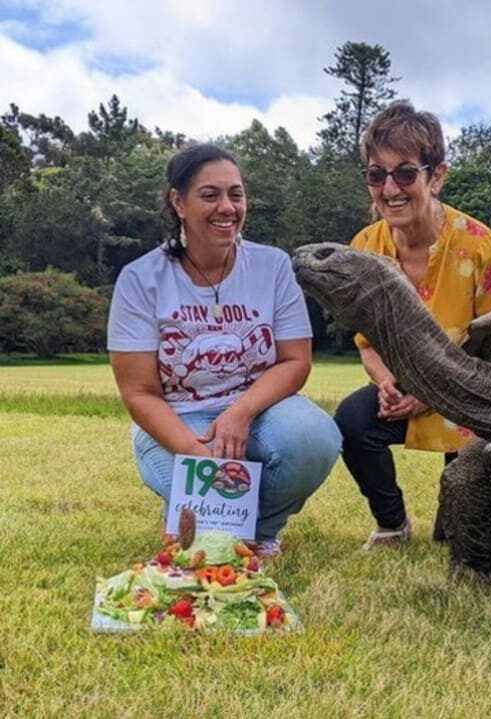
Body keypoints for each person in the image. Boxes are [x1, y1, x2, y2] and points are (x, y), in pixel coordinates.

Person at [107, 144, 341, 557]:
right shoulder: (140, 279)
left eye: (236, 194)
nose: (227, 207)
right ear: (178, 203)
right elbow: (139, 393)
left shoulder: (272, 266)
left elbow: (295, 361)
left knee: (313, 439)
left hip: (259, 411)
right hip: (179, 419)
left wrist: (240, 413)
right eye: (209, 195)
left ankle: (260, 531)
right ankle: (211, 519)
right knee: (203, 523)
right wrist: (199, 456)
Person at [334, 101, 491, 550]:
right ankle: (392, 523)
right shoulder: (364, 247)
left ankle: (458, 516)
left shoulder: (482, 245)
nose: (389, 189)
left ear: (436, 176)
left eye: (404, 173)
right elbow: (366, 340)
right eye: (376, 175)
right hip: (405, 388)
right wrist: (386, 383)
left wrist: (431, 389)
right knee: (353, 421)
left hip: (469, 397)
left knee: (459, 539)